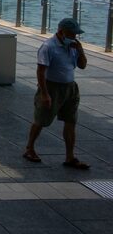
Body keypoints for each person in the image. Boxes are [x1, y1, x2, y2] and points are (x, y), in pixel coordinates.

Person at [23, 18, 89, 169]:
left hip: (70, 88)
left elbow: (83, 65)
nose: (74, 37)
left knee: (71, 121)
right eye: (72, 34)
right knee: (41, 119)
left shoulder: (73, 46)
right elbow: (41, 71)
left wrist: (80, 50)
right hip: (51, 87)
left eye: (76, 34)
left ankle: (70, 156)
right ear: (61, 32)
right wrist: (45, 94)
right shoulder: (48, 47)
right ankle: (29, 148)